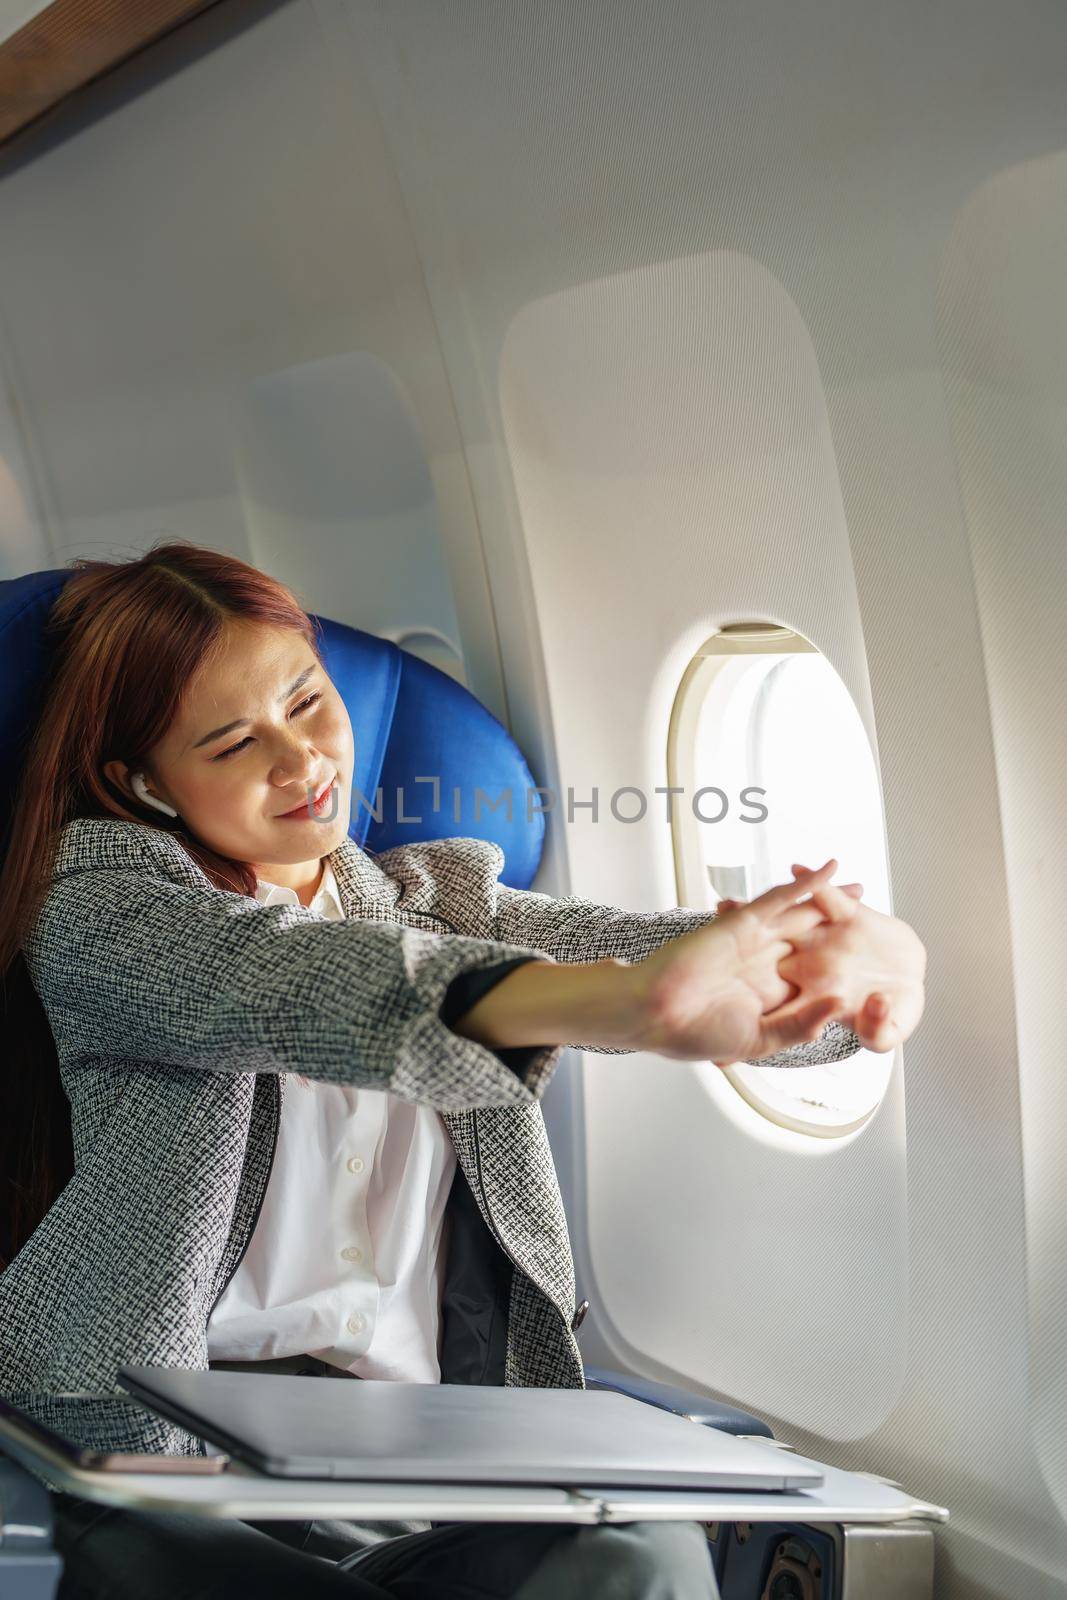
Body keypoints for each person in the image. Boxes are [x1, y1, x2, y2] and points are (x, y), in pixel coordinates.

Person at [0, 541, 927, 1598]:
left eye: (307, 701)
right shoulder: (102, 911)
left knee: (648, 1553)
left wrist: (847, 973)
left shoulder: (441, 902)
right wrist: (620, 1000)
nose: (302, 762)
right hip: (161, 1452)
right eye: (231, 742)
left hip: (432, 1445)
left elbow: (663, 954)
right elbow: (294, 982)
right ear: (143, 784)